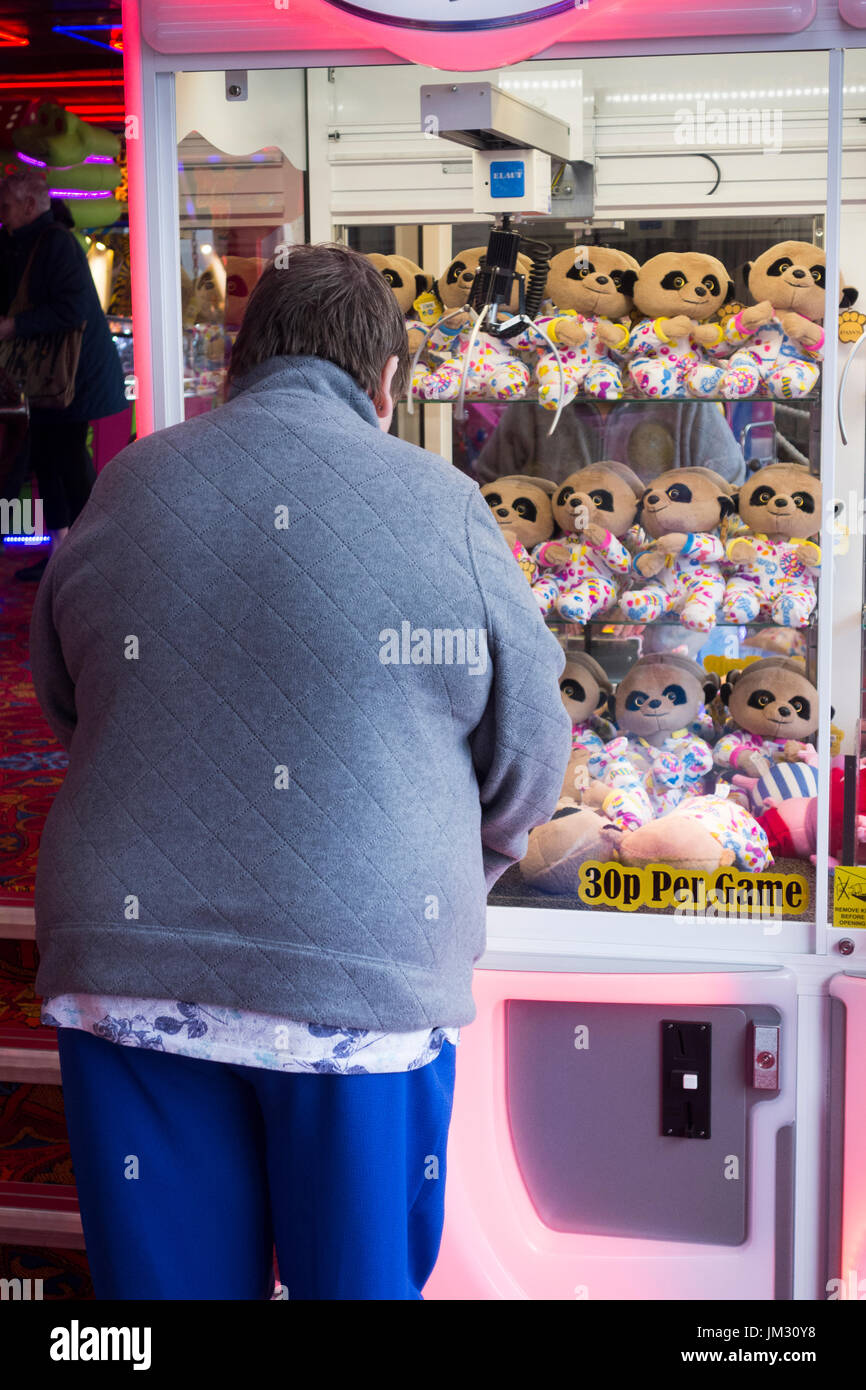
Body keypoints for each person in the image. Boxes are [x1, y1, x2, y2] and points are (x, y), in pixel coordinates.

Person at [28, 242, 572, 1301]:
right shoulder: (444, 505)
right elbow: (529, 755)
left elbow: (63, 691)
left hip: (125, 964)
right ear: (386, 384)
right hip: (357, 970)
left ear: (238, 361)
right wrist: (464, 855)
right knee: (354, 1284)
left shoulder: (130, 479)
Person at [0, 170, 126, 581]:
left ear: (29, 205)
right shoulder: (36, 241)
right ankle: (65, 553)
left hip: (72, 379)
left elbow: (71, 311)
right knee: (54, 460)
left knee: (67, 460)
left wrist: (14, 327)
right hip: (59, 380)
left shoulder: (53, 243)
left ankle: (94, 553)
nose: (2, 214)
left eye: (6, 206)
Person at [475, 396, 747, 488]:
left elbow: (729, 494)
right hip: (554, 581)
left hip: (666, 588)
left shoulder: (687, 406)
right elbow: (492, 491)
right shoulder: (538, 404)